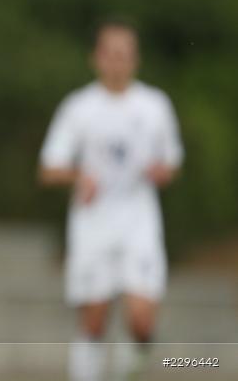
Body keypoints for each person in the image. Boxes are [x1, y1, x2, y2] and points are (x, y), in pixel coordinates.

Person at [39, 20, 183, 381]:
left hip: (139, 223)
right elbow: (49, 168)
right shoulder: (78, 107)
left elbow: (171, 161)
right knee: (94, 320)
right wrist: (79, 176)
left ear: (136, 59)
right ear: (97, 57)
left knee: (141, 320)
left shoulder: (155, 106)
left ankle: (126, 371)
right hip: (92, 224)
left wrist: (162, 172)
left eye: (125, 53)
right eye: (111, 53)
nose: (118, 60)